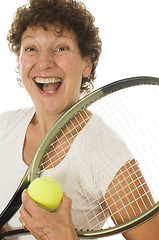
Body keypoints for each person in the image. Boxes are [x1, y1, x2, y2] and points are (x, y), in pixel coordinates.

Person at [0, 0, 159, 239]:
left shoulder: (107, 153)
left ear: (87, 63)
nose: (44, 62)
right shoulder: (3, 125)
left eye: (61, 48)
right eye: (32, 48)